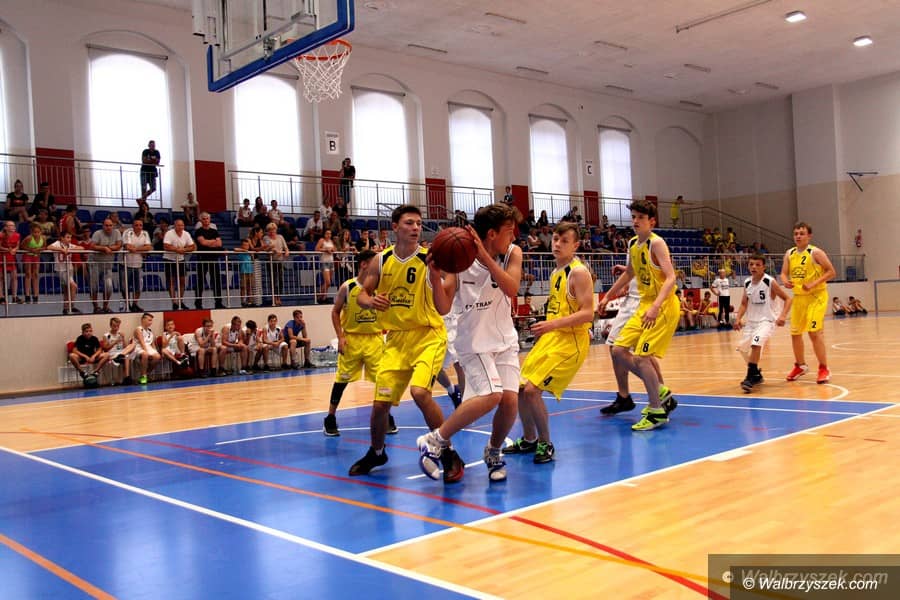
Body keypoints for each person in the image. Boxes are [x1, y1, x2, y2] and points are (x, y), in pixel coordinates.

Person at [416, 204, 523, 483]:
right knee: (492, 394)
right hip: (474, 343)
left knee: (510, 402)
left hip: (505, 340)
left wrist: (486, 257)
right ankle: (435, 439)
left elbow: (512, 288)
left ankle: (493, 451)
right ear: (492, 233)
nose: (514, 236)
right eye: (509, 231)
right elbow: (443, 306)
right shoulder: (460, 260)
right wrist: (434, 276)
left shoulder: (513, 253)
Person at [348, 204, 456, 478]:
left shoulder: (429, 259)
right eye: (409, 223)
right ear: (394, 227)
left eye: (418, 223)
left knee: (420, 393)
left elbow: (448, 291)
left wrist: (441, 278)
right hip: (396, 340)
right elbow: (361, 294)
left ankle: (448, 452)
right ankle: (377, 452)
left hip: (428, 335)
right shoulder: (381, 260)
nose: (416, 227)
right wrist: (371, 301)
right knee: (379, 405)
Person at [504, 221, 594, 463]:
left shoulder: (578, 273)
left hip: (571, 341)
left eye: (564, 241)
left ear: (575, 246)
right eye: (555, 239)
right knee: (520, 388)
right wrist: (546, 329)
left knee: (532, 391)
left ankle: (546, 443)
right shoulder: (555, 273)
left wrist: (551, 325)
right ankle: (529, 439)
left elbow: (588, 313)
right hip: (552, 338)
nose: (557, 244)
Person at [597, 200, 680, 431]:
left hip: (662, 306)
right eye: (633, 217)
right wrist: (606, 296)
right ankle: (660, 391)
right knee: (618, 350)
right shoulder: (633, 244)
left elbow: (671, 277)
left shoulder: (657, 243)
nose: (635, 221)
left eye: (641, 217)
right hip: (643, 304)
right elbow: (629, 274)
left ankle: (656, 411)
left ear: (651, 222)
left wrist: (656, 306)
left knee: (643, 358)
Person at [599, 264, 677, 417]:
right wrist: (628, 273)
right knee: (616, 347)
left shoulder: (655, 248)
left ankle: (661, 394)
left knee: (641, 354)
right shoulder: (634, 249)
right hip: (632, 299)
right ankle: (625, 396)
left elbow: (664, 270)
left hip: (642, 300)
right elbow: (636, 267)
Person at [324, 250, 383, 436]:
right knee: (342, 380)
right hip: (352, 339)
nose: (378, 266)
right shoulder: (347, 287)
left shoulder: (381, 286)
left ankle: (385, 416)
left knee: (382, 380)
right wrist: (340, 336)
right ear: (364, 264)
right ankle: (330, 417)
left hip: (375, 339)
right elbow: (335, 312)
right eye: (374, 262)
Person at [780, 222, 836, 384]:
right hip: (799, 297)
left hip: (816, 296)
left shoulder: (816, 252)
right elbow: (783, 273)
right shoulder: (789, 253)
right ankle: (800, 366)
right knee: (795, 333)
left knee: (813, 332)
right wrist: (785, 281)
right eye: (796, 233)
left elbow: (831, 272)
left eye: (802, 233)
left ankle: (824, 368)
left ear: (809, 236)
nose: (798, 236)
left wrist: (813, 283)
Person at [734, 254, 792, 393]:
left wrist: (783, 316)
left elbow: (788, 299)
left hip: (767, 320)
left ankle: (749, 377)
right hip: (751, 322)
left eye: (757, 264)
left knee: (756, 343)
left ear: (764, 267)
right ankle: (756, 374)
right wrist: (738, 318)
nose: (754, 267)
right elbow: (744, 303)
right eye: (751, 264)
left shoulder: (769, 281)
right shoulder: (747, 282)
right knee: (743, 349)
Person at [89, 218, 122, 313]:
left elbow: (119, 245)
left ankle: (105, 306)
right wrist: (103, 248)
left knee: (109, 286)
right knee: (94, 286)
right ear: (103, 226)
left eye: (110, 225)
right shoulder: (97, 233)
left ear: (113, 226)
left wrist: (109, 248)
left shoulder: (117, 233)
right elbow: (92, 246)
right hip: (95, 263)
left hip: (108, 265)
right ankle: (96, 307)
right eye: (106, 225)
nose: (108, 227)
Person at [193, 212, 225, 309]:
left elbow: (219, 243)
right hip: (202, 258)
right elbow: (202, 242)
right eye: (204, 218)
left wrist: (209, 242)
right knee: (200, 281)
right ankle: (198, 302)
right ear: (201, 220)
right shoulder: (198, 231)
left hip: (213, 258)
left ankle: (218, 302)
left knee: (216, 280)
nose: (206, 220)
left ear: (210, 220)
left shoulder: (214, 231)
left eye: (207, 218)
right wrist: (213, 241)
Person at [163, 219, 195, 310]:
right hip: (169, 259)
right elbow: (166, 246)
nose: (180, 227)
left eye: (182, 225)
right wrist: (177, 249)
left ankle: (180, 300)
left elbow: (192, 246)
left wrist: (184, 250)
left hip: (181, 259)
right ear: (175, 226)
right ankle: (174, 302)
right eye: (178, 225)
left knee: (182, 280)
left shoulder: (186, 234)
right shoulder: (169, 233)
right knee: (171, 281)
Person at [48, 231, 83, 314]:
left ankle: (65, 307)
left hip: (69, 269)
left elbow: (81, 248)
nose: (69, 239)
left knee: (67, 289)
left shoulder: (69, 245)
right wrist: (61, 249)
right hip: (61, 270)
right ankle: (71, 306)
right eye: (67, 237)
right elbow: (49, 247)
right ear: (62, 238)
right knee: (73, 286)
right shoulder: (58, 243)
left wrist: (70, 249)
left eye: (70, 237)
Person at [121, 218, 152, 312]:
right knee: (125, 287)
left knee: (138, 286)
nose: (139, 227)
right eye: (136, 225)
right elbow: (128, 246)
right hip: (125, 264)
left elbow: (148, 247)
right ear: (133, 226)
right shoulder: (128, 232)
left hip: (138, 264)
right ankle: (127, 304)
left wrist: (136, 249)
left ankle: (135, 304)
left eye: (140, 225)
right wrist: (141, 249)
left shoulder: (145, 233)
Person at [102, 317, 136, 385]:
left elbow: (125, 347)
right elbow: (105, 349)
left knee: (133, 344)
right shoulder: (106, 335)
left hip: (121, 352)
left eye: (118, 326)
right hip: (112, 354)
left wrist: (123, 338)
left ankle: (121, 355)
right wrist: (114, 342)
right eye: (114, 326)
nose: (116, 328)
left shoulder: (120, 334)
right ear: (110, 325)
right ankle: (127, 378)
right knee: (126, 357)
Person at [262, 223, 288, 306]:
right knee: (273, 280)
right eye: (270, 230)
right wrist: (272, 249)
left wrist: (286, 251)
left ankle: (279, 297)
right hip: (271, 261)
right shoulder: (266, 238)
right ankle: (274, 297)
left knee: (280, 280)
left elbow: (285, 247)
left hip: (279, 261)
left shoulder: (280, 237)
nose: (272, 231)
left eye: (273, 229)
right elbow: (267, 248)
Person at [20, 222, 46, 304]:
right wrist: (31, 250)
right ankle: (27, 295)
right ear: (31, 232)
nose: (36, 234)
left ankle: (36, 295)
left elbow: (44, 247)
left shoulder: (43, 238)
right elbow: (22, 246)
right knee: (28, 274)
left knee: (36, 275)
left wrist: (39, 250)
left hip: (36, 257)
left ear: (41, 232)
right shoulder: (28, 238)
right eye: (35, 232)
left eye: (38, 232)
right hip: (28, 256)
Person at [133, 312, 161, 384]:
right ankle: (144, 376)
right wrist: (148, 353)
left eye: (151, 320)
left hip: (148, 347)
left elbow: (152, 344)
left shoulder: (150, 331)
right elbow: (142, 342)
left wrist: (155, 351)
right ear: (143, 320)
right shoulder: (138, 329)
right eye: (149, 320)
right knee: (145, 354)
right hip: (139, 347)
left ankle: (145, 373)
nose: (150, 322)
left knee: (157, 357)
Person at [0, 220, 22, 304]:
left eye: (13, 225)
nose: (13, 227)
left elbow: (17, 245)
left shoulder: (17, 235)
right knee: (1, 277)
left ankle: (14, 296)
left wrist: (14, 250)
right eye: (10, 225)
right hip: (1, 256)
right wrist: (8, 250)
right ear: (6, 227)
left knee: (14, 277)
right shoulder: (1, 235)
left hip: (11, 257)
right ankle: (1, 297)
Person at [315, 228, 336, 304]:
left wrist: (332, 249)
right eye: (327, 233)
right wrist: (326, 250)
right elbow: (317, 249)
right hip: (324, 261)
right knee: (328, 282)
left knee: (328, 282)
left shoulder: (331, 241)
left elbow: (335, 249)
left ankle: (324, 296)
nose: (329, 235)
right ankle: (319, 295)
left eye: (330, 234)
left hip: (331, 261)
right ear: (324, 234)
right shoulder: (322, 240)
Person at [233, 238, 254, 307]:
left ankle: (250, 301)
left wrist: (251, 255)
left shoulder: (249, 253)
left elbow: (253, 261)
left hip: (250, 272)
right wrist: (244, 250)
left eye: (247, 245)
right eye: (244, 245)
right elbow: (235, 249)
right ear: (242, 246)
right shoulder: (240, 252)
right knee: (243, 287)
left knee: (250, 287)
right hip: (243, 272)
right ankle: (243, 301)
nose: (246, 247)